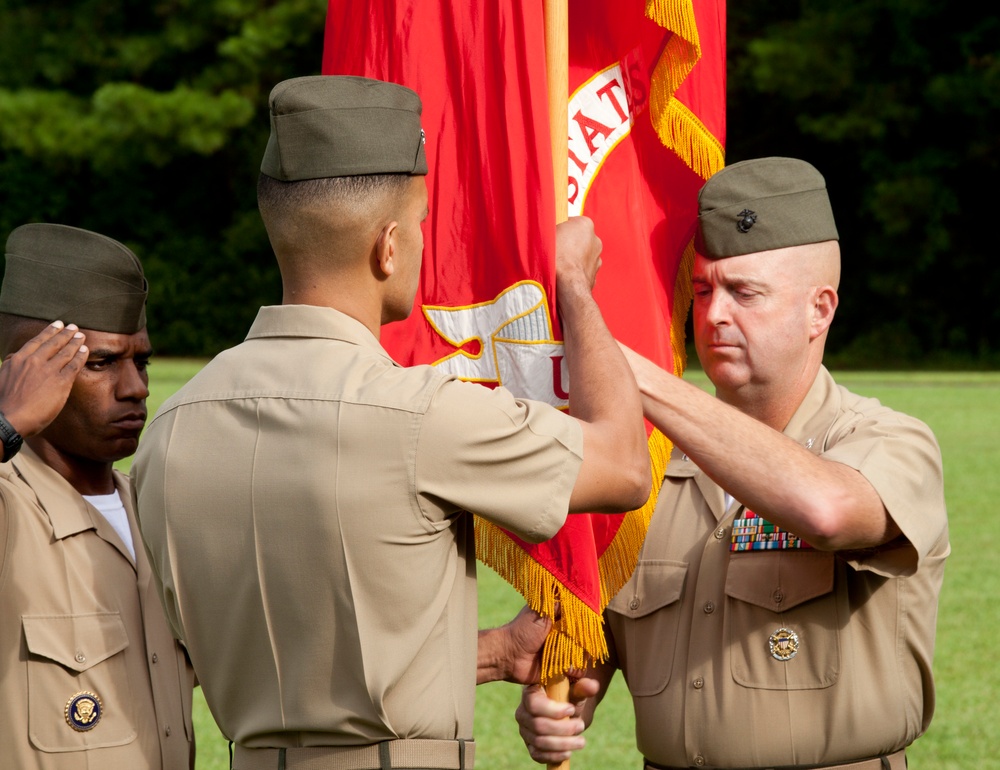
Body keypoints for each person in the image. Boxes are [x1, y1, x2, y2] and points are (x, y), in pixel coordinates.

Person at [131, 75, 650, 770]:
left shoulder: (169, 430)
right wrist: (575, 284)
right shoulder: (421, 413)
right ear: (388, 247)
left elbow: (291, 658)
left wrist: (496, 654)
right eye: (425, 221)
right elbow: (623, 464)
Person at [516, 157, 949, 770]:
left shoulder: (889, 441)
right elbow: (580, 652)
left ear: (819, 309)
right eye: (701, 290)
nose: (714, 314)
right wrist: (556, 701)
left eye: (745, 293)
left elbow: (826, 511)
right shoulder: (641, 469)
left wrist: (619, 366)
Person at [0, 223, 196, 769]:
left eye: (142, 361)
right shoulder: (10, 508)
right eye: (101, 362)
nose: (136, 387)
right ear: (26, 368)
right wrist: (5, 420)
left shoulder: (155, 514)